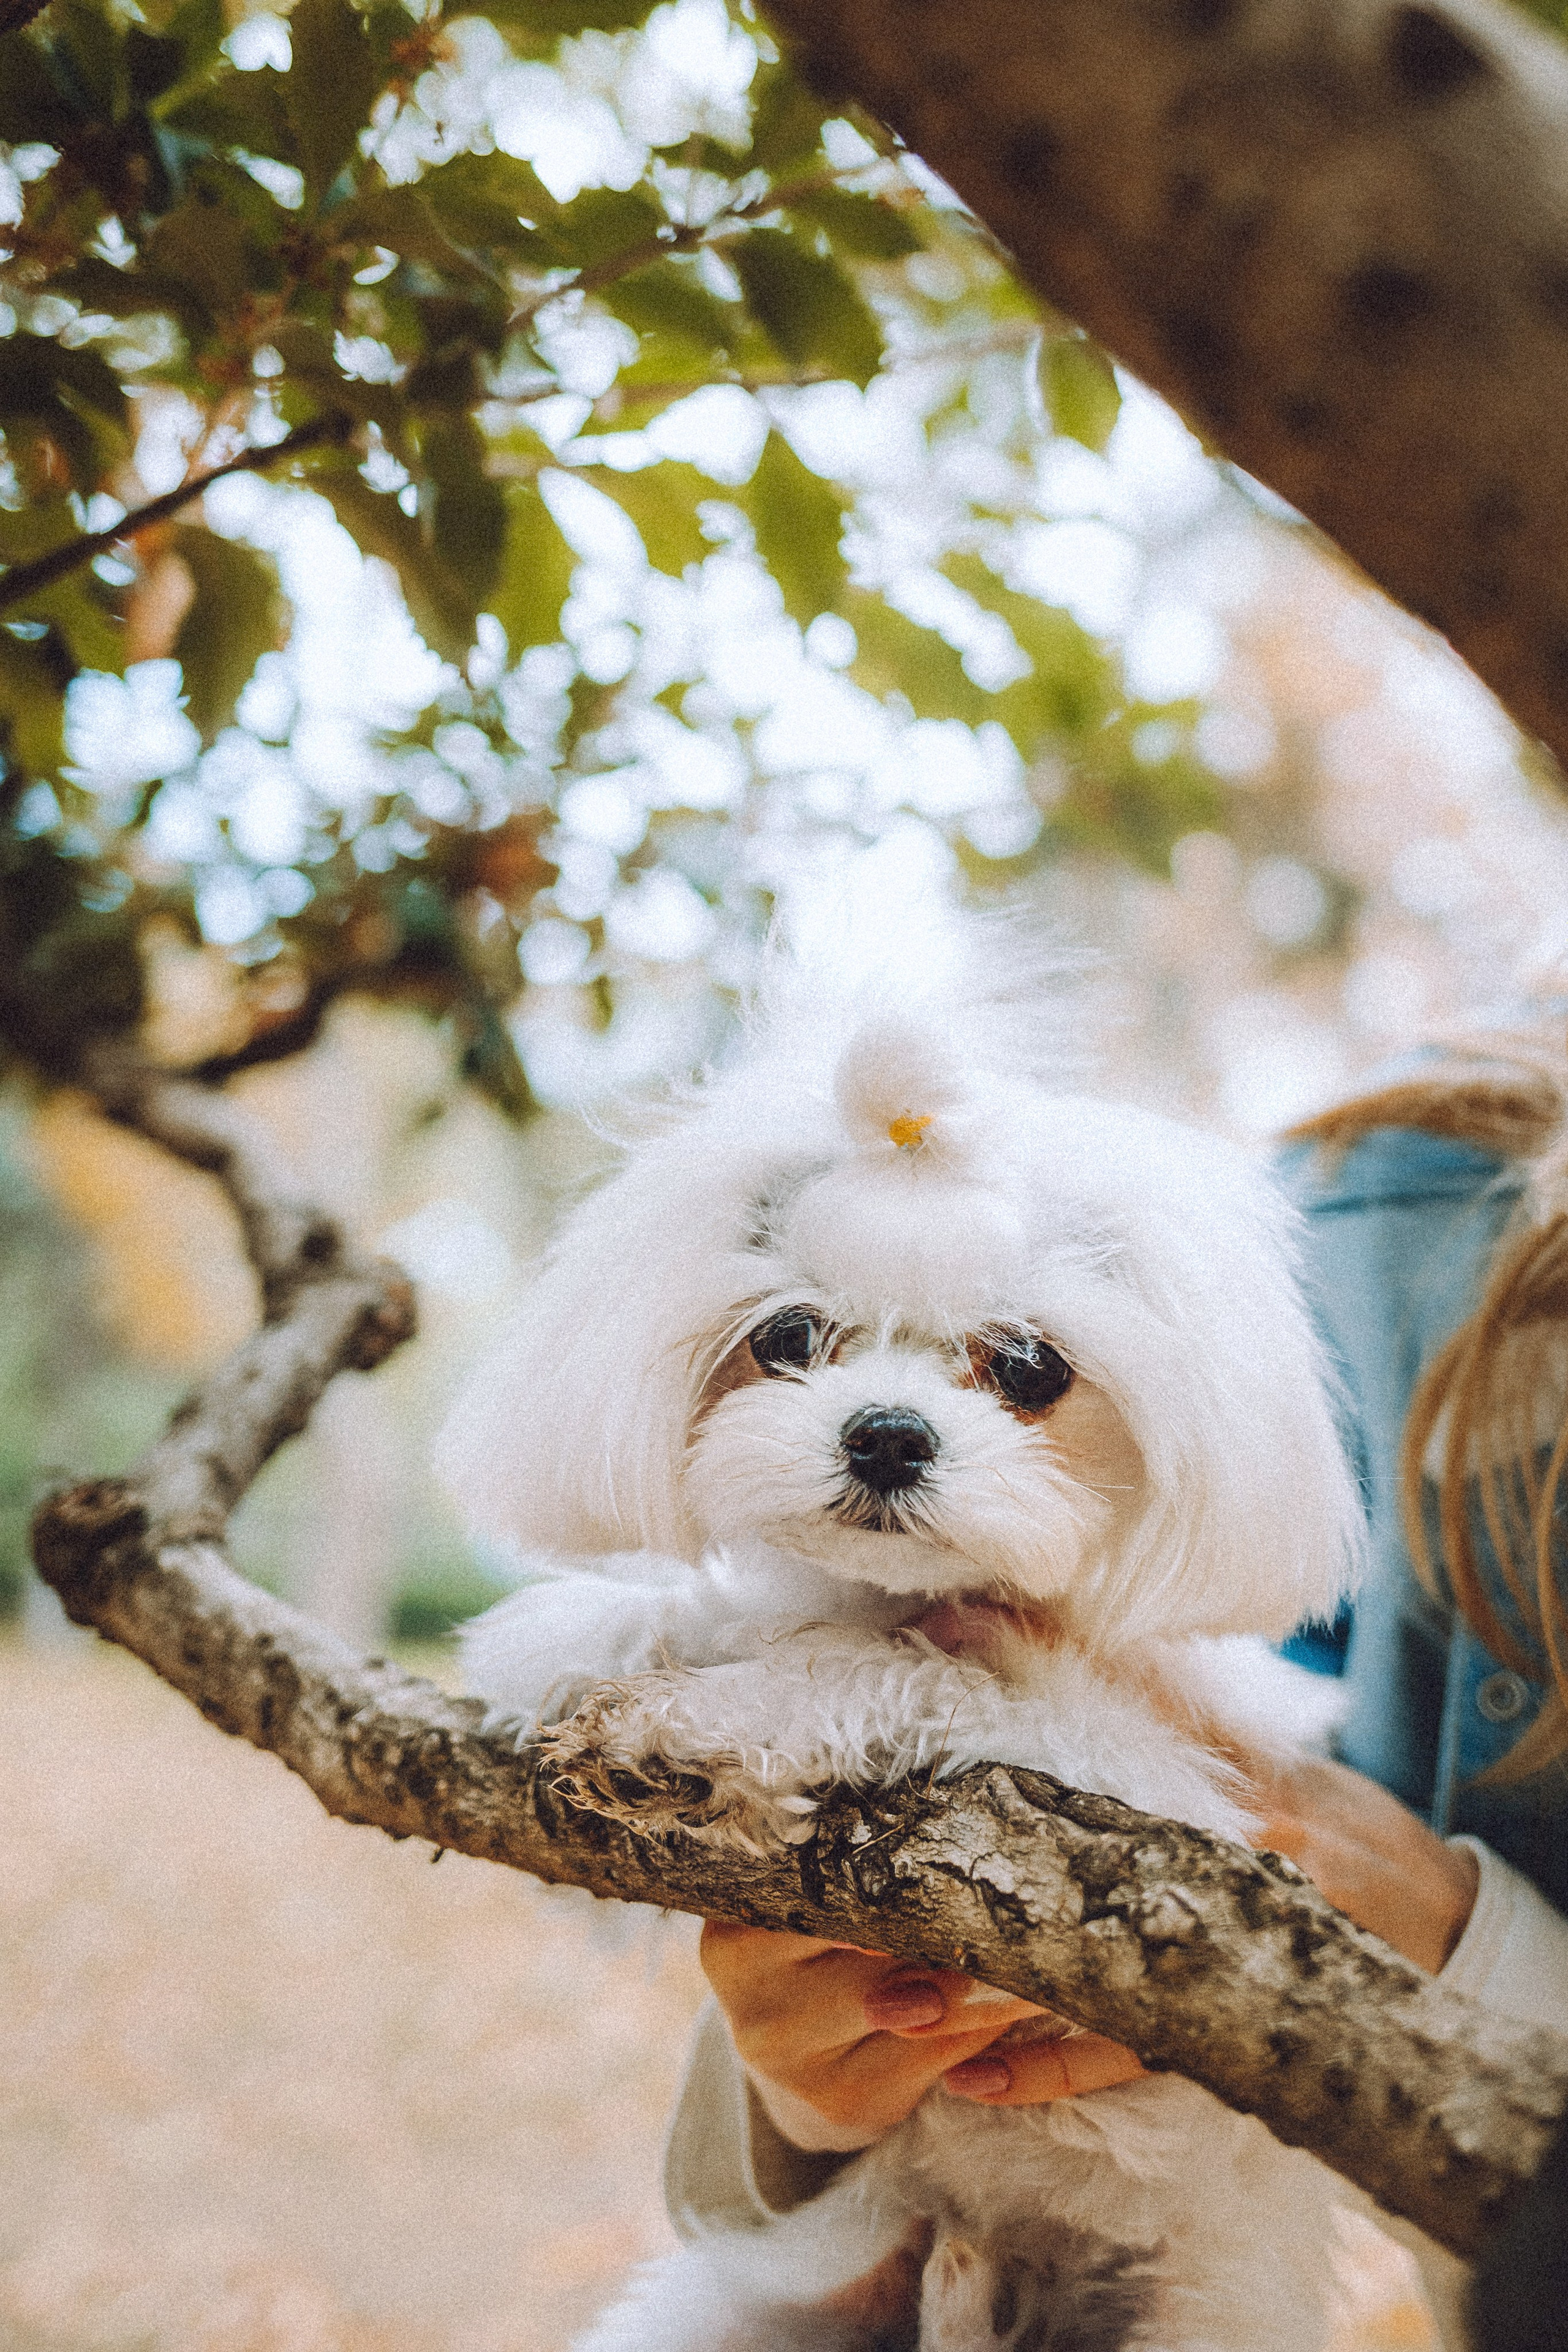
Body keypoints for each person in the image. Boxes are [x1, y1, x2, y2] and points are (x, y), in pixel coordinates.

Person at [663, 1035, 1568, 2347]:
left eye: (1019, 1372)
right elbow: (1233, 1750)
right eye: (799, 1343)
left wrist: (1463, 1955)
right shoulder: (1387, 1206)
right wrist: (798, 2097)